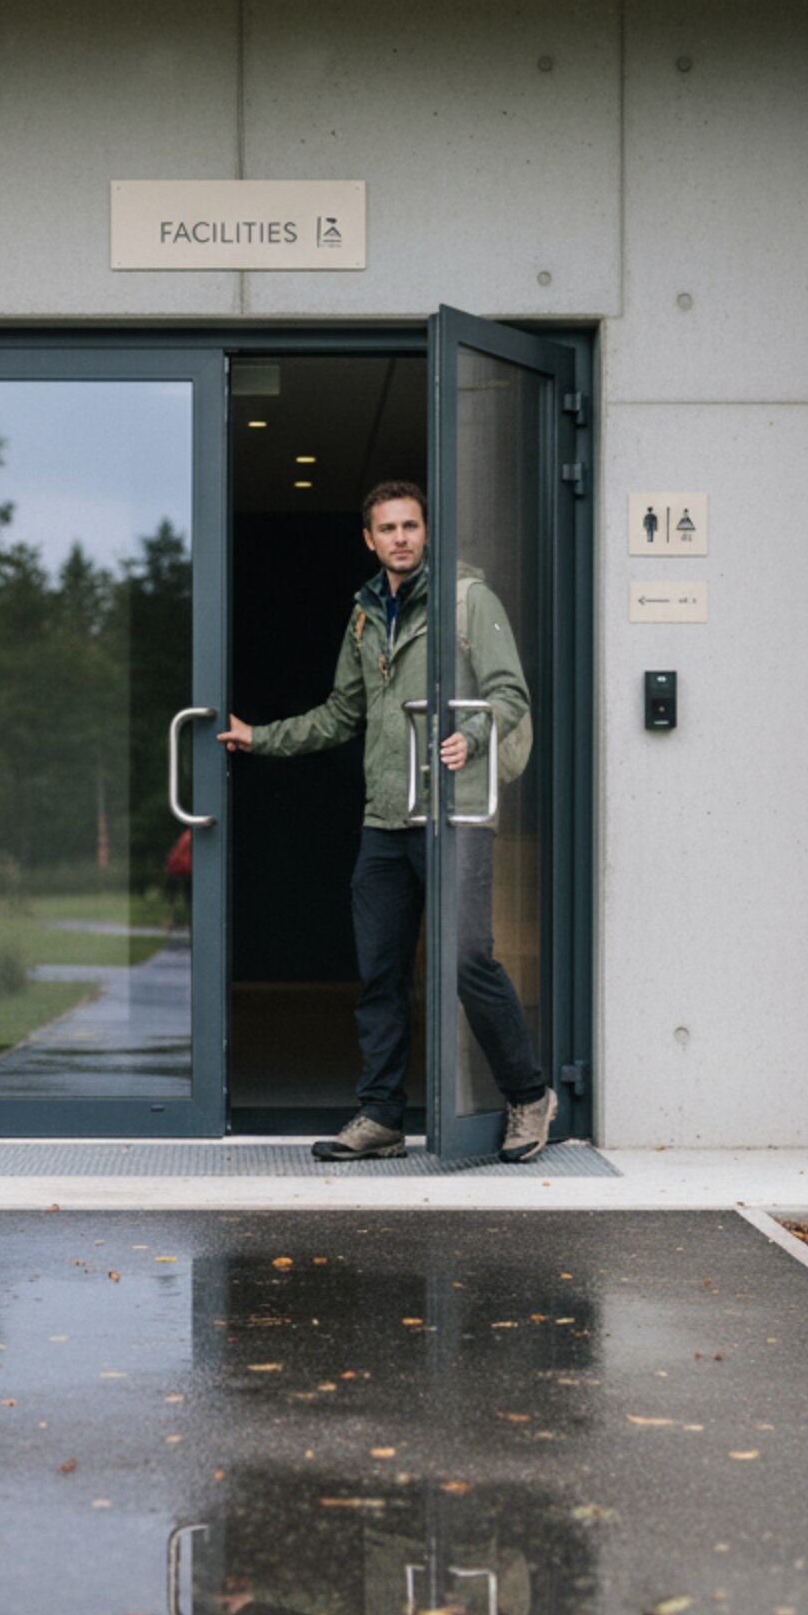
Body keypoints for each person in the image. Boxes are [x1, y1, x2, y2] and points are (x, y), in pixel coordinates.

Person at [220, 483, 555, 1162]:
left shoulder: (468, 600)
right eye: (387, 528)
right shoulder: (365, 615)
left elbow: (508, 693)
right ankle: (381, 1117)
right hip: (385, 819)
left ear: (426, 532)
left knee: (466, 963)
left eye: (410, 525)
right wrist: (260, 737)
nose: (400, 537)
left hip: (454, 813)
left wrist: (469, 735)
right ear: (368, 540)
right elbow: (342, 714)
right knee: (379, 973)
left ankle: (528, 1096)